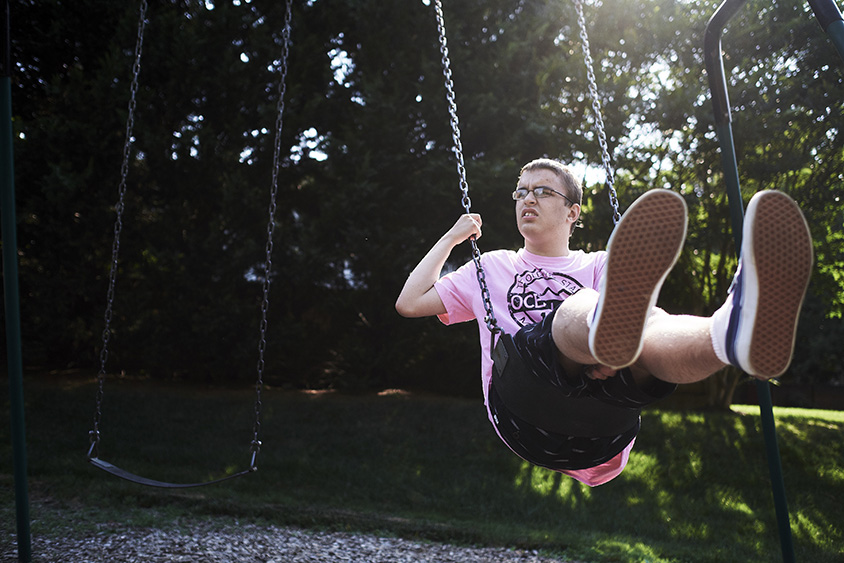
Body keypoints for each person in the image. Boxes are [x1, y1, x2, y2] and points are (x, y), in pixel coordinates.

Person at [395, 158, 813, 487]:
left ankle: (728, 333)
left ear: (573, 211)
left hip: (604, 431)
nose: (528, 199)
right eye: (521, 192)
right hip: (526, 412)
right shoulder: (492, 266)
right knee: (575, 314)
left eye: (542, 191)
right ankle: (604, 336)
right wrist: (452, 236)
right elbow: (410, 303)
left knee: (648, 329)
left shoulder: (599, 265)